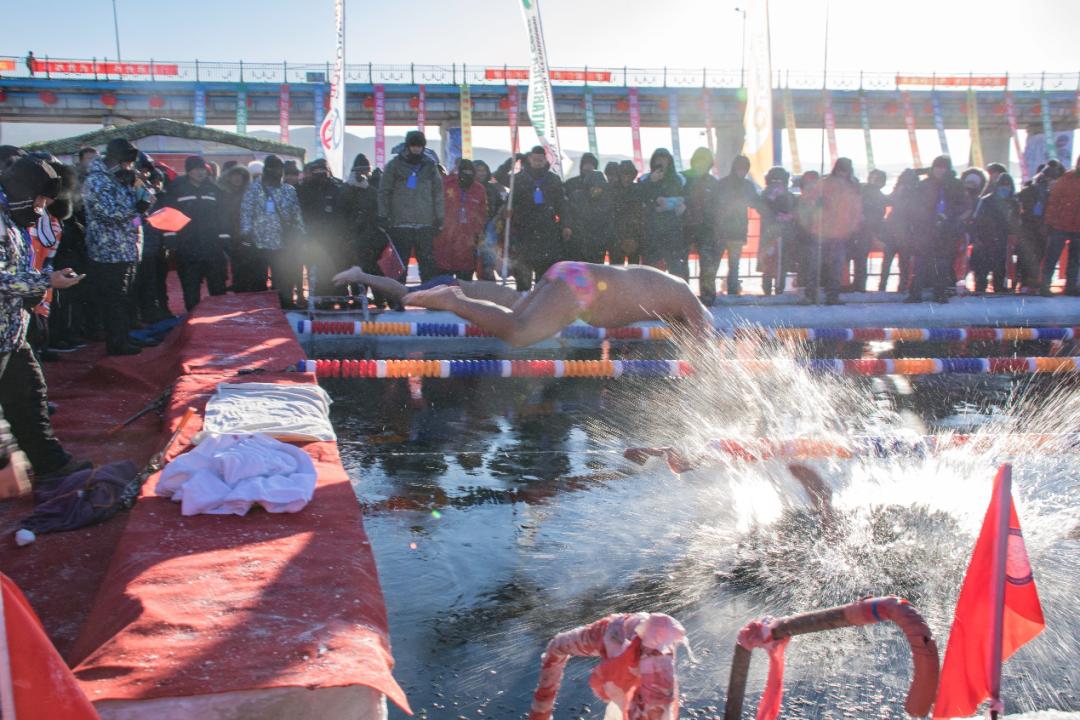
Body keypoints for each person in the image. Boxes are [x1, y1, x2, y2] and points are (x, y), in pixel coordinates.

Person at [333, 261, 714, 348]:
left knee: (515, 311)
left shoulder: (673, 288)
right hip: (585, 287)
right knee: (520, 334)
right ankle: (453, 299)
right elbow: (707, 361)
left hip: (574, 273)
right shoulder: (693, 309)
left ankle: (363, 276)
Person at [0, 155, 89, 483]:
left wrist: (44, 278)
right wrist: (44, 282)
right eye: (40, 199)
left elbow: (18, 269)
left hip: (12, 331)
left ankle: (50, 463)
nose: (41, 208)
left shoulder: (15, 218)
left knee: (30, 394)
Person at [82, 138, 155, 355]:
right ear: (114, 159)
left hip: (126, 247)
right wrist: (138, 209)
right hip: (108, 250)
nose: (129, 167)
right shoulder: (97, 181)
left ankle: (123, 336)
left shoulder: (119, 179)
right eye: (126, 162)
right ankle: (116, 342)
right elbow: (108, 214)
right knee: (115, 299)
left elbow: (131, 210)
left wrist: (142, 199)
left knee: (124, 297)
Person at [161, 155, 229, 311]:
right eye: (196, 169)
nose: (200, 173)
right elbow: (169, 213)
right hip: (187, 245)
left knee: (217, 284)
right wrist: (170, 238)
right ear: (189, 171)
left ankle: (218, 315)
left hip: (212, 245)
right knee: (190, 285)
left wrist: (224, 236)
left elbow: (222, 214)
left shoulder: (213, 189)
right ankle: (192, 317)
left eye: (202, 169)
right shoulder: (177, 189)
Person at [239, 154, 306, 307]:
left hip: (284, 244)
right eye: (273, 169)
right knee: (258, 281)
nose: (277, 172)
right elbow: (246, 212)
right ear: (266, 170)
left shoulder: (289, 190)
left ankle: (285, 307)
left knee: (283, 279)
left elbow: (297, 214)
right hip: (259, 244)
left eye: (279, 169)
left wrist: (301, 234)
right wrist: (247, 235)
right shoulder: (254, 188)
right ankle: (261, 309)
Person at [378, 130, 444, 282]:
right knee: (400, 265)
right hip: (400, 222)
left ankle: (429, 296)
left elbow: (438, 194)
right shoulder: (394, 165)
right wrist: (383, 215)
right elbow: (384, 192)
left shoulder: (430, 166)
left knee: (427, 264)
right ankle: (397, 298)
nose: (416, 149)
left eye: (419, 146)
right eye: (413, 146)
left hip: (425, 222)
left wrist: (440, 217)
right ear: (407, 146)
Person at [906, 156, 970, 303]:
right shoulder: (925, 184)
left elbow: (964, 206)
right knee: (921, 262)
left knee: (942, 263)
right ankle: (915, 293)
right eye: (937, 167)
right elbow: (915, 206)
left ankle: (940, 293)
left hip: (946, 229)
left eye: (943, 168)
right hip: (926, 229)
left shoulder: (956, 185)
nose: (939, 171)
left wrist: (949, 216)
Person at [799, 158, 862, 304]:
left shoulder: (828, 183)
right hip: (825, 230)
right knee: (820, 265)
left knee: (832, 265)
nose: (842, 174)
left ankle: (826, 295)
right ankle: (817, 295)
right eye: (841, 170)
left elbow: (856, 210)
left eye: (844, 171)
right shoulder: (847, 186)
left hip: (833, 231)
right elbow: (808, 199)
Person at [508, 145, 569, 290]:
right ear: (529, 159)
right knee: (523, 273)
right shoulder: (518, 179)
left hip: (546, 231)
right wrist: (507, 211)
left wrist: (566, 224)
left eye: (540, 160)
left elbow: (562, 204)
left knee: (544, 275)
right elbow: (510, 200)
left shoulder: (553, 179)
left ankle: (541, 303)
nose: (538, 162)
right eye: (535, 159)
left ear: (545, 160)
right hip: (524, 231)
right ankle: (522, 301)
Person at [297, 158, 351, 300]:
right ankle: (319, 297)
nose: (320, 174)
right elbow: (302, 213)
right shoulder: (304, 189)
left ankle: (340, 295)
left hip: (335, 235)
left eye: (323, 171)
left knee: (338, 265)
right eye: (317, 171)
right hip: (313, 236)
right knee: (316, 268)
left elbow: (344, 211)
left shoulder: (337, 187)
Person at [710, 155, 762, 299]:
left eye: (744, 169)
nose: (742, 171)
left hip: (723, 229)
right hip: (736, 229)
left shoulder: (722, 184)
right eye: (741, 168)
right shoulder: (747, 186)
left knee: (718, 261)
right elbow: (756, 203)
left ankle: (710, 290)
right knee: (732, 263)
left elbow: (714, 204)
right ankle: (730, 291)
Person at [433, 159, 486, 280]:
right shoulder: (446, 184)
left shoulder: (479, 189)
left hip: (467, 240)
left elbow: (482, 213)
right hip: (445, 237)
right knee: (443, 279)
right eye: (464, 172)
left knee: (464, 279)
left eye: (470, 172)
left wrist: (478, 232)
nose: (467, 175)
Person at [638, 148, 687, 278]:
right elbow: (641, 199)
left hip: (672, 230)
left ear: (669, 161)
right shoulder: (645, 179)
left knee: (675, 268)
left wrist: (675, 202)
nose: (660, 162)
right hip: (652, 230)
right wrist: (651, 183)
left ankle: (676, 295)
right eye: (657, 159)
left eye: (664, 159)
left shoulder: (678, 179)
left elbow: (685, 198)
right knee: (651, 269)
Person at [682, 148, 722, 298]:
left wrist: (716, 226)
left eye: (704, 161)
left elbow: (719, 206)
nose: (701, 164)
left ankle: (708, 295)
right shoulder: (684, 178)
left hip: (706, 229)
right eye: (698, 160)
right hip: (685, 227)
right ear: (693, 161)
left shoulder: (713, 182)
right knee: (681, 264)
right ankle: (682, 295)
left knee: (707, 264)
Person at [969, 173, 1017, 294]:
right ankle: (980, 286)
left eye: (1007, 185)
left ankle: (998, 286)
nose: (1005, 188)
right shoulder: (986, 201)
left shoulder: (1013, 203)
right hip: (985, 237)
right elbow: (976, 219)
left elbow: (1015, 222)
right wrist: (976, 236)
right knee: (982, 264)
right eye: (1002, 185)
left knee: (1000, 264)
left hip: (1002, 238)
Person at [1015, 164, 1057, 293]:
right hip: (1029, 228)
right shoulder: (1029, 190)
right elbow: (1022, 208)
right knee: (1026, 255)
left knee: (1038, 255)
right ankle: (1024, 281)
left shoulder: (1050, 193)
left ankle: (1032, 281)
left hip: (1041, 229)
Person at [1042, 154, 1080, 296]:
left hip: (1077, 227)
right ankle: (1045, 286)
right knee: (1052, 256)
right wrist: (1049, 222)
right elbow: (1053, 202)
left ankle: (1070, 286)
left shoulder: (1066, 179)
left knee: (1075, 259)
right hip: (1060, 225)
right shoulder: (1066, 179)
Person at [758, 166, 797, 295]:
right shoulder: (785, 194)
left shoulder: (766, 193)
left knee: (771, 261)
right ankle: (776, 288)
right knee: (779, 262)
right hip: (780, 232)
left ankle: (769, 288)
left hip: (771, 232)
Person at [879, 169, 918, 293]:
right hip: (905, 232)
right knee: (903, 263)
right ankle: (902, 287)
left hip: (893, 230)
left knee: (887, 263)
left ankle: (883, 287)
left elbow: (888, 201)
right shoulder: (914, 192)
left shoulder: (898, 190)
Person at [849, 168, 888, 293]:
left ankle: (856, 285)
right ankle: (859, 286)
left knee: (858, 258)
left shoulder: (863, 191)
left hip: (859, 229)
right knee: (861, 259)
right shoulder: (878, 195)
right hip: (865, 230)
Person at [565, 165, 612, 264]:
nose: (596, 190)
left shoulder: (606, 201)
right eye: (593, 187)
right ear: (588, 186)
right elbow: (569, 217)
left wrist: (603, 241)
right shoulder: (576, 198)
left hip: (597, 246)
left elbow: (608, 223)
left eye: (599, 187)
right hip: (578, 244)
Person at [218, 164, 253, 291]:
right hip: (229, 231)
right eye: (234, 175)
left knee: (248, 259)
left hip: (247, 232)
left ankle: (246, 284)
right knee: (235, 259)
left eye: (240, 176)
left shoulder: (250, 193)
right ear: (229, 177)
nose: (237, 179)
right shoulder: (222, 193)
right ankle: (238, 283)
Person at [472, 159, 507, 281]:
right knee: (473, 258)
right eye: (477, 171)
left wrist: (502, 214)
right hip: (473, 227)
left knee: (488, 257)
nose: (481, 173)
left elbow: (501, 205)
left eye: (483, 170)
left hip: (490, 226)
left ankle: (488, 277)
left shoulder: (493, 188)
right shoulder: (469, 187)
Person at [609, 160, 643, 265]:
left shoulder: (638, 190)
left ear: (633, 175)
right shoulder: (612, 191)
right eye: (624, 174)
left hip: (634, 238)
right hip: (616, 239)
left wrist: (635, 239)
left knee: (634, 271)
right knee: (616, 271)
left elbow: (640, 216)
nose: (626, 178)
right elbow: (610, 216)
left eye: (629, 175)